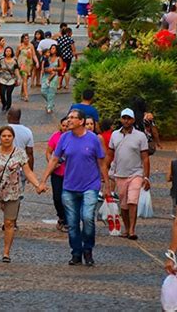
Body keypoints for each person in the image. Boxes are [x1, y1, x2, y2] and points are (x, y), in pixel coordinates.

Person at [39, 109, 110, 266]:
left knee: (87, 218)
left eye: (72, 118)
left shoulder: (93, 139)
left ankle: (88, 249)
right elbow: (54, 159)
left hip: (90, 186)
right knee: (72, 223)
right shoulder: (64, 138)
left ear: (81, 121)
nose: (69, 120)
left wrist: (106, 185)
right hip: (70, 187)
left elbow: (101, 163)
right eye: (68, 117)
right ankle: (76, 252)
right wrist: (43, 180)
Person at [0, 125, 44, 263]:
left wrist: (38, 184)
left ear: (13, 138)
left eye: (9, 136)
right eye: (4, 136)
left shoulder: (20, 153)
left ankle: (6, 252)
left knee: (9, 223)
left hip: (13, 193)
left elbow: (28, 171)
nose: (6, 138)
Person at [106, 108, 150, 240]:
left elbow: (145, 158)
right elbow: (109, 154)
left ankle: (132, 230)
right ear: (121, 119)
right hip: (119, 174)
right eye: (124, 118)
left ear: (133, 120)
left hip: (136, 173)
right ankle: (126, 227)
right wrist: (105, 172)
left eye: (128, 118)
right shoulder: (115, 135)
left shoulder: (140, 136)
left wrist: (146, 176)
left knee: (132, 201)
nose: (126, 120)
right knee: (124, 205)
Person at [45, 117, 69, 232]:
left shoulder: (74, 138)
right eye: (63, 125)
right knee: (57, 197)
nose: (65, 128)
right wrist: (51, 162)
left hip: (70, 174)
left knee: (68, 198)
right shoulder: (55, 137)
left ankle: (67, 221)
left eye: (67, 126)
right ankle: (61, 216)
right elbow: (48, 152)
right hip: (57, 173)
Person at [40, 45, 64, 114]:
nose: (52, 50)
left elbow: (61, 67)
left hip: (54, 76)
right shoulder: (47, 57)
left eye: (53, 48)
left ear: (56, 50)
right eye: (51, 48)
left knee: (51, 92)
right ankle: (50, 103)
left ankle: (49, 107)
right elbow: (43, 63)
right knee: (43, 91)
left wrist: (54, 69)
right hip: (46, 75)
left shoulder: (59, 58)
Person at [0, 47, 21, 112]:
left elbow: (16, 70)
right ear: (5, 52)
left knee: (8, 93)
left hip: (11, 79)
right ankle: (4, 104)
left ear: (11, 52)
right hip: (3, 78)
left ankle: (8, 106)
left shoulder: (14, 60)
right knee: (2, 93)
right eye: (7, 51)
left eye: (9, 51)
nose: (8, 52)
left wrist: (18, 78)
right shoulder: (1, 60)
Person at [16, 34, 38, 102]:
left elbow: (34, 55)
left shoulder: (31, 45)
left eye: (28, 38)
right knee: (25, 78)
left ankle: (22, 92)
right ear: (22, 39)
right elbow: (16, 56)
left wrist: (37, 62)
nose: (27, 40)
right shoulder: (19, 46)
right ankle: (26, 95)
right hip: (22, 64)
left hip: (29, 64)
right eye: (25, 38)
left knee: (26, 79)